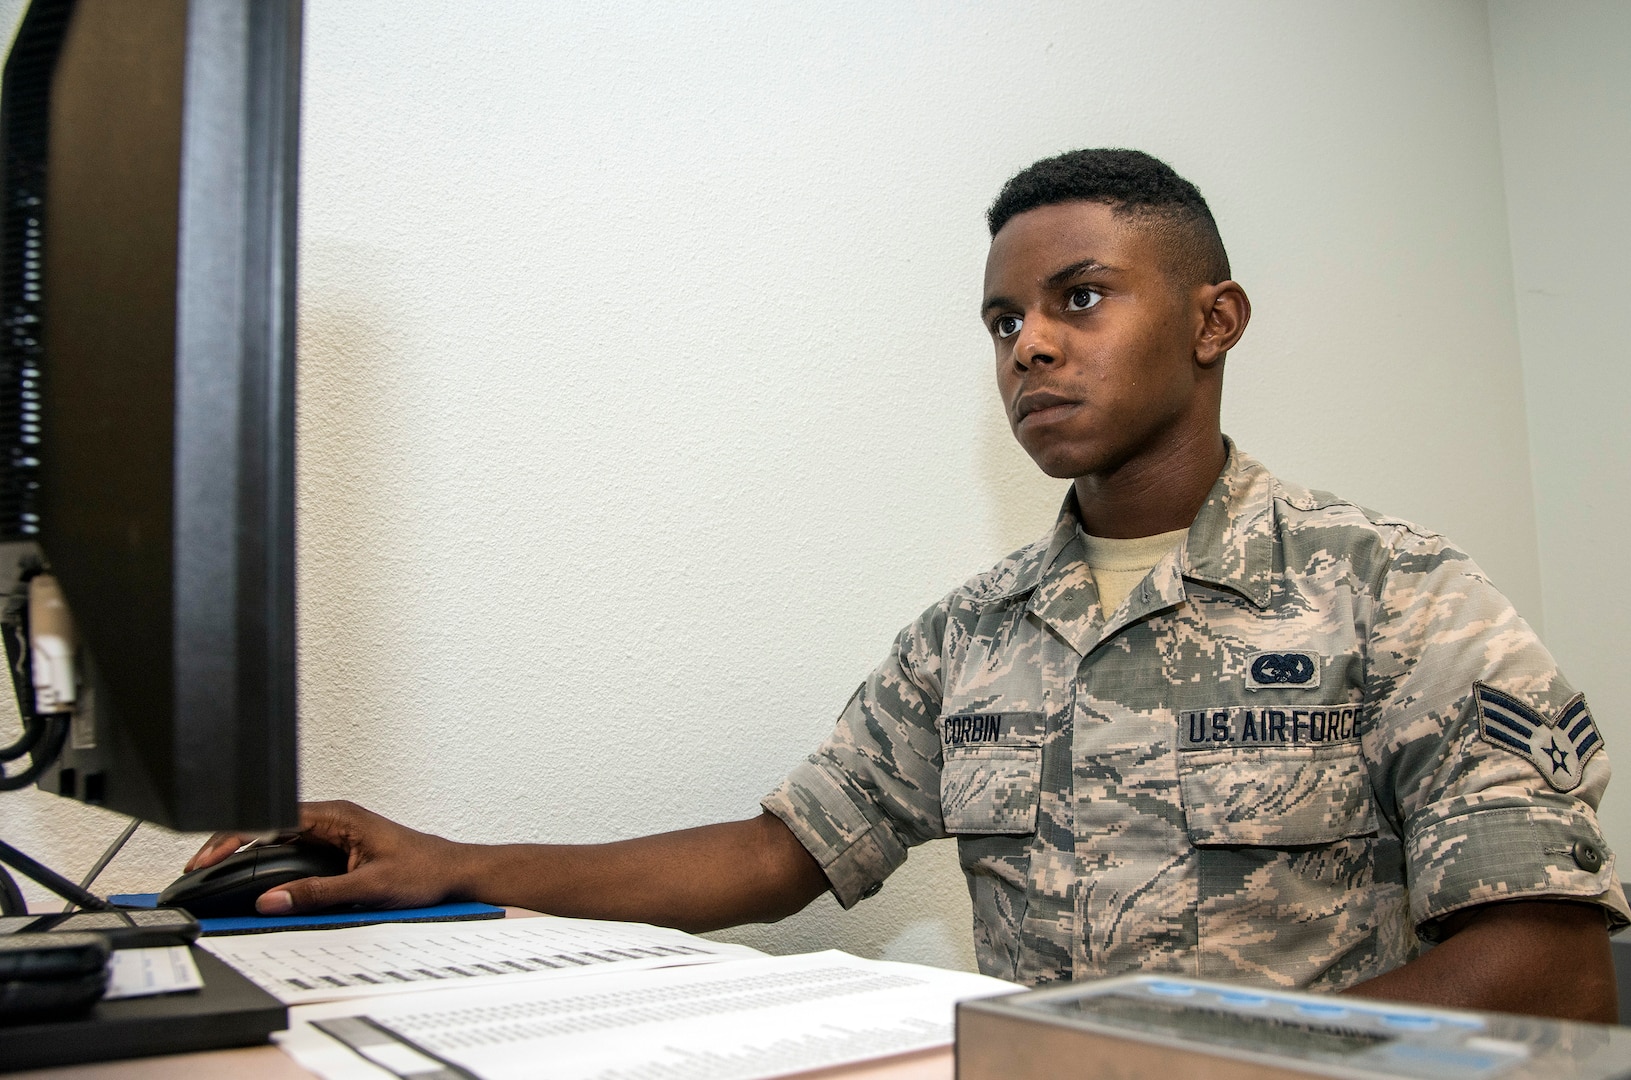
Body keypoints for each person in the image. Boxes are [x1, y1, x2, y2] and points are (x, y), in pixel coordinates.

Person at [190, 150, 1626, 1022]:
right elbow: (776, 856)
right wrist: (453, 865)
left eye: (1080, 296)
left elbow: (1549, 976)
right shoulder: (974, 634)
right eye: (1004, 318)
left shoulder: (1395, 596)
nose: (1030, 347)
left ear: (1214, 321)